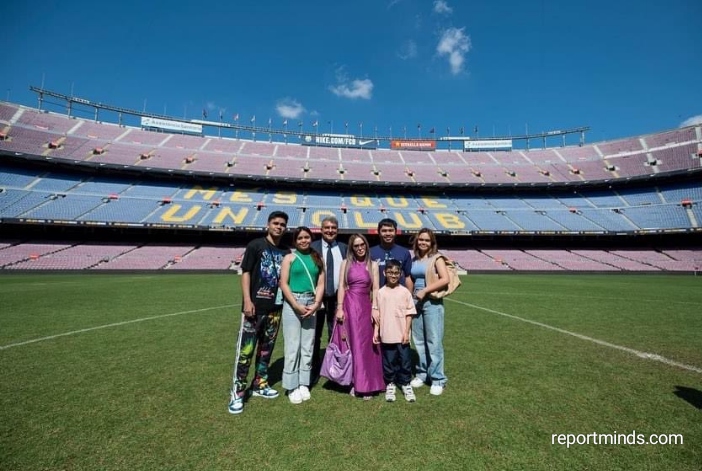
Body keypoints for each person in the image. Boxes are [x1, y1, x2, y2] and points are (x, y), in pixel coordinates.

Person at [228, 210, 290, 415]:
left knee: (266, 350)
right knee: (245, 352)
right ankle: (237, 392)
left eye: (282, 224)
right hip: (254, 308)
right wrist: (247, 300)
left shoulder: (285, 251)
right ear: (268, 224)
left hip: (275, 309)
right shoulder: (255, 245)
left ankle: (260, 384)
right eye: (276, 223)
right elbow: (246, 272)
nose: (279, 227)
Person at [335, 233, 385, 399]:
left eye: (362, 244)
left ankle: (368, 383)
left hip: (365, 307)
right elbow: (342, 285)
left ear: (366, 245)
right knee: (352, 344)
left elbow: (376, 288)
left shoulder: (373, 264)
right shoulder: (346, 263)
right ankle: (353, 381)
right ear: (352, 248)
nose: (360, 248)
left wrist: (375, 308)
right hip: (349, 306)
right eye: (356, 246)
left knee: (365, 346)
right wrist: (339, 308)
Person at [279, 226, 325, 404]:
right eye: (300, 238)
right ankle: (292, 385)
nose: (304, 240)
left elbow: (320, 283)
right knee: (292, 346)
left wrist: (316, 304)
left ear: (311, 238)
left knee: (308, 345)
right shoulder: (289, 258)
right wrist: (296, 305)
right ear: (295, 241)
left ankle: (304, 383)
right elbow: (284, 283)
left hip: (311, 303)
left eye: (306, 237)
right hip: (293, 303)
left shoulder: (317, 258)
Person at [408, 228, 450, 396]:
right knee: (418, 340)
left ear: (432, 243)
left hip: (432, 302)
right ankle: (422, 373)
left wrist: (425, 290)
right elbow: (411, 279)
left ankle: (438, 379)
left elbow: (445, 279)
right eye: (421, 239)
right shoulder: (414, 259)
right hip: (416, 302)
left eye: (427, 240)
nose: (423, 242)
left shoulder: (436, 258)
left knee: (434, 341)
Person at [373, 259, 418, 403]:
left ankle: (405, 383)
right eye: (390, 272)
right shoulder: (380, 293)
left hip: (402, 335)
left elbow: (409, 313)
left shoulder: (405, 292)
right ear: (384, 273)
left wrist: (406, 332)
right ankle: (390, 384)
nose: (393, 275)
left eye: (396, 273)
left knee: (405, 361)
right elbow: (377, 314)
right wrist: (376, 331)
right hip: (387, 334)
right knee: (389, 362)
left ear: (400, 274)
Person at [310, 216, 347, 384]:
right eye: (327, 227)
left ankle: (335, 368)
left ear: (337, 230)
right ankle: (314, 369)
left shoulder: (344, 248)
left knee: (336, 334)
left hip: (338, 299)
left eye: (333, 228)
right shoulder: (312, 247)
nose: (330, 230)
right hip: (317, 298)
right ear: (321, 229)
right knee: (314, 334)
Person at [370, 218, 412, 289]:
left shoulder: (404, 252)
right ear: (379, 232)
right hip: (378, 293)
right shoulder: (370, 252)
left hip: (399, 294)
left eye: (391, 230)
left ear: (395, 232)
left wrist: (409, 294)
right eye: (384, 231)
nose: (388, 234)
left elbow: (408, 277)